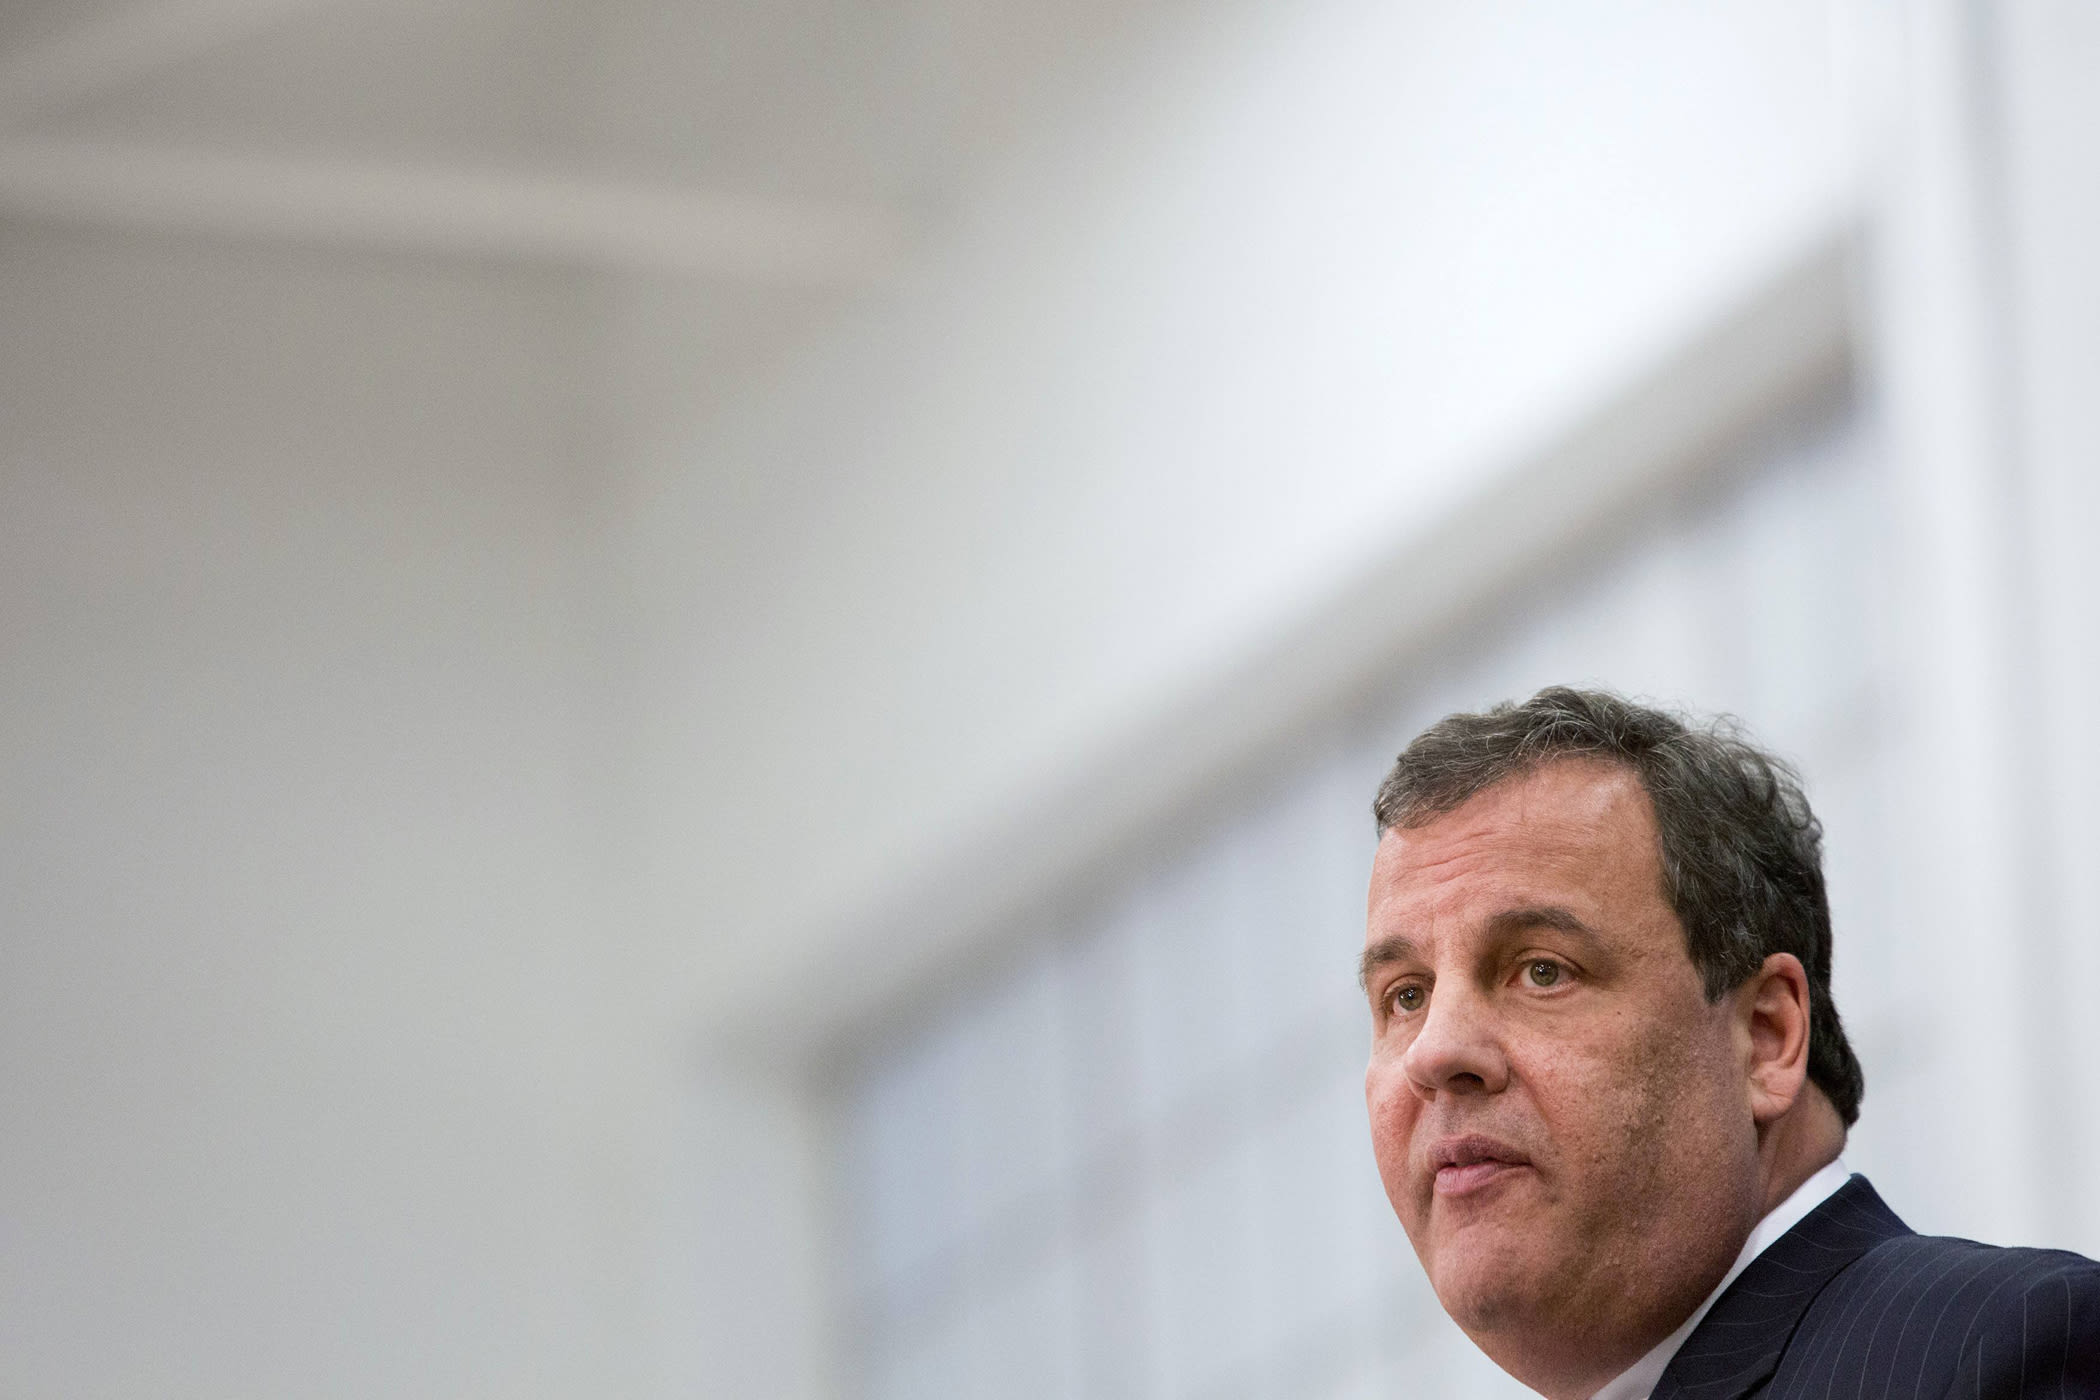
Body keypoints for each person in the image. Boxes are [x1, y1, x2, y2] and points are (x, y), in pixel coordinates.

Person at [1359, 687, 2100, 1399]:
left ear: (1765, 1037)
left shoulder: (1996, 1353)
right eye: (1407, 995)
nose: (1435, 1051)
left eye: (1542, 971)